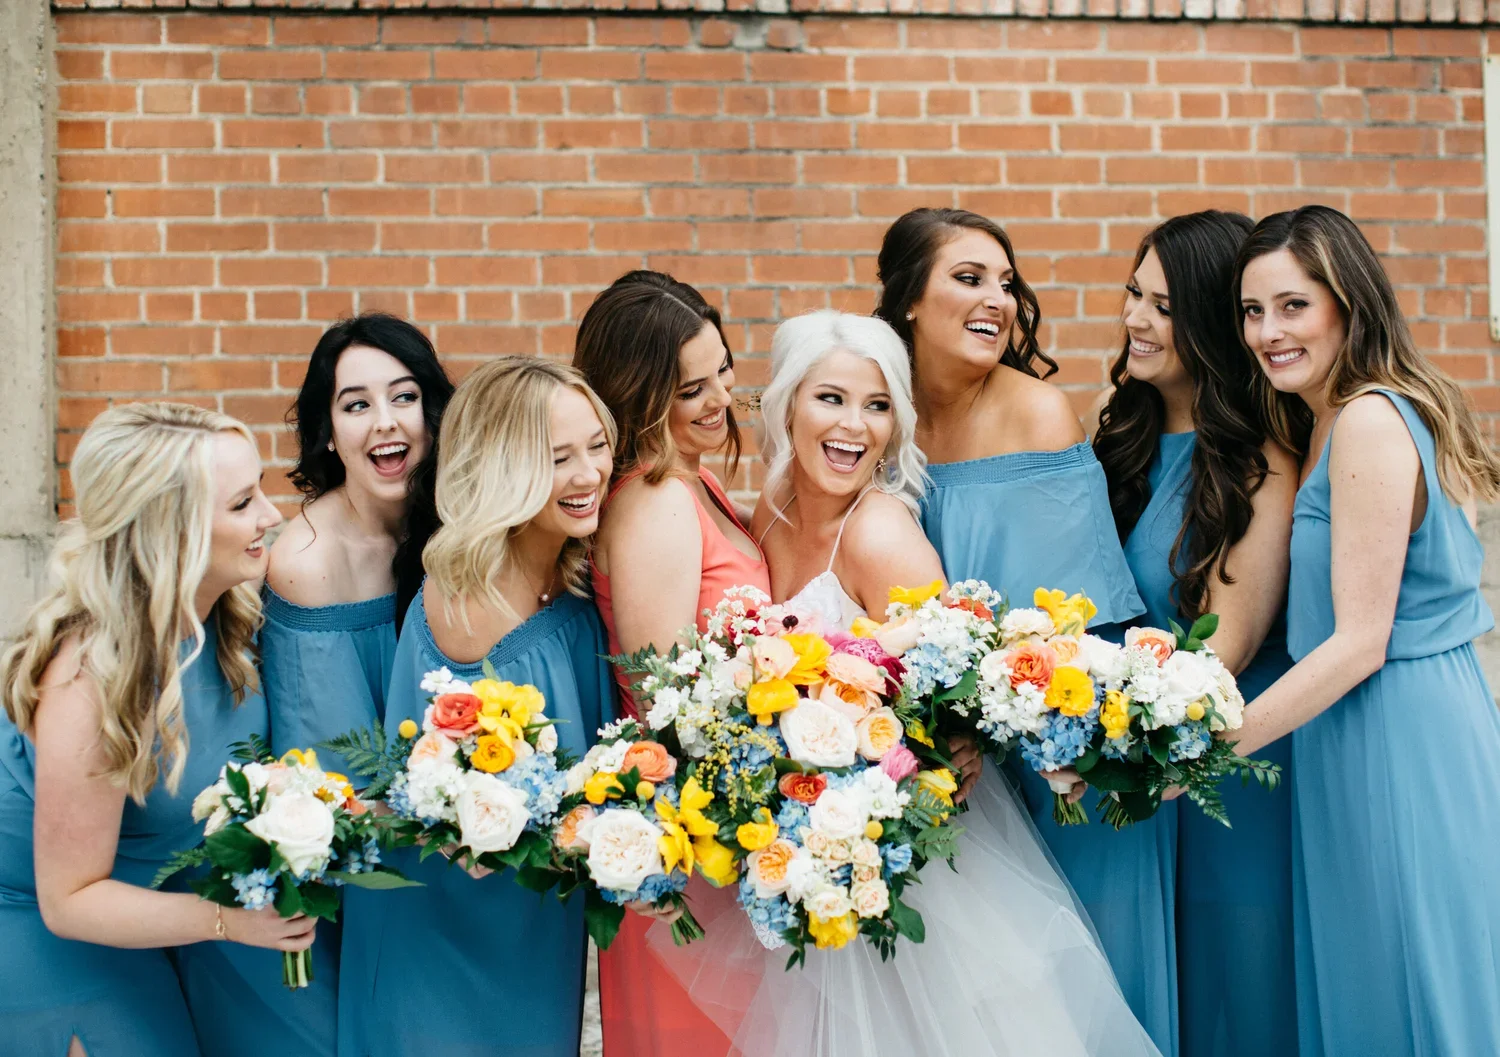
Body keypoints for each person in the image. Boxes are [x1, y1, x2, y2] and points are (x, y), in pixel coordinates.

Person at [650, 310, 1160, 1057]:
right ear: (787, 405)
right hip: (816, 848)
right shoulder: (775, 504)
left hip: (909, 859)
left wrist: (942, 748)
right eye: (831, 398)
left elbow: (946, 687)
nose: (854, 426)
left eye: (878, 405)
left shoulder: (879, 530)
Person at [875, 207, 1178, 1054]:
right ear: (908, 298)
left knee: (1082, 999)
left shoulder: (1038, 413)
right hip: (939, 772)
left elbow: (1085, 626)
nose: (998, 300)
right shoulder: (877, 417)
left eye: (1006, 283)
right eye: (969, 278)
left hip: (1059, 759)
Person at [1229, 205, 1500, 1056]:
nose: (1268, 332)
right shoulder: (1323, 418)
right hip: (1354, 728)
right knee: (1370, 980)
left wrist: (1201, 750)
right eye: (1252, 311)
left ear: (1349, 303)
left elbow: (1360, 640)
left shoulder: (1371, 420)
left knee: (1413, 982)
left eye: (1293, 306)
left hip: (1399, 731)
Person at [0, 402, 309, 1057]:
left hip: (147, 907)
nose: (271, 515)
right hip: (42, 920)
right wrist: (229, 921)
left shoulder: (230, 616)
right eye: (242, 503)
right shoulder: (91, 678)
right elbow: (69, 899)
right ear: (174, 531)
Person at [1092, 212, 1298, 1057]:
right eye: (1133, 294)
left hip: (1223, 763)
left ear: (1210, 321)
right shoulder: (1120, 432)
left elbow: (1228, 646)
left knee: (1231, 993)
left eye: (1163, 306)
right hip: (1124, 758)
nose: (1135, 318)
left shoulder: (1261, 457)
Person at [575, 270, 770, 1057]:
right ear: (638, 397)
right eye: (692, 388)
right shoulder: (654, 502)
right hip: (691, 845)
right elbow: (667, 703)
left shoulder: (696, 478)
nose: (721, 397)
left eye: (723, 369)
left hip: (727, 824)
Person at [253, 316, 452, 1053]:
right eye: (356, 404)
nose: (385, 421)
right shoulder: (307, 559)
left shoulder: (452, 525)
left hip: (457, 844)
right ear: (329, 433)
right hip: (370, 862)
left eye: (403, 397)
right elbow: (335, 775)